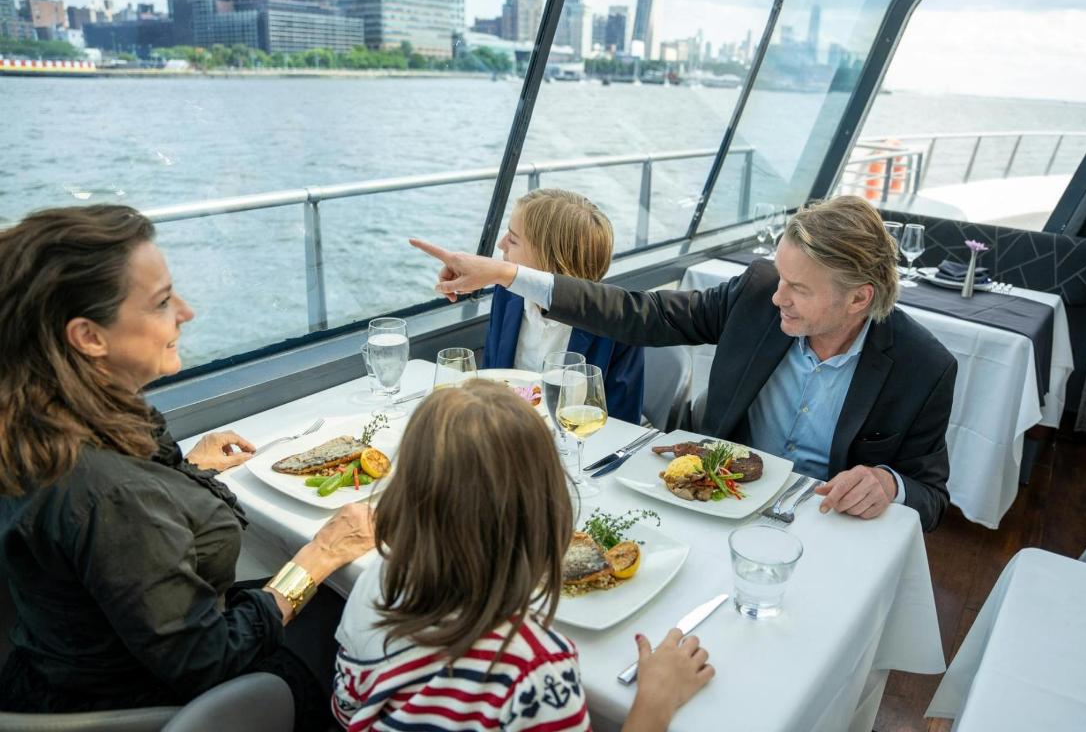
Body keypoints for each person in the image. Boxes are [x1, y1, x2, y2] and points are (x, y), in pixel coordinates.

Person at [0, 205, 373, 730]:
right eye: (160, 302)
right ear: (88, 336)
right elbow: (207, 658)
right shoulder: (111, 495)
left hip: (64, 659)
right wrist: (320, 556)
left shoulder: (52, 418)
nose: (187, 312)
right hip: (141, 703)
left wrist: (185, 469)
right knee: (365, 623)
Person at [411, 196, 957, 531]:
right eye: (781, 278)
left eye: (798, 289)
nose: (777, 299)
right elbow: (636, 313)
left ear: (859, 299)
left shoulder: (922, 367)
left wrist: (889, 483)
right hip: (707, 495)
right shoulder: (757, 292)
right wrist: (507, 275)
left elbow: (930, 496)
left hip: (820, 521)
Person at [332, 380, 713, 731]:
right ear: (547, 511)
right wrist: (655, 701)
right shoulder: (534, 670)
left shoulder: (377, 579)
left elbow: (347, 708)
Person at [485, 187, 645, 424]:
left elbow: (621, 425)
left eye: (513, 239)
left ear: (549, 260)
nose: (501, 244)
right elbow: (490, 380)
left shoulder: (616, 324)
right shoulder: (507, 295)